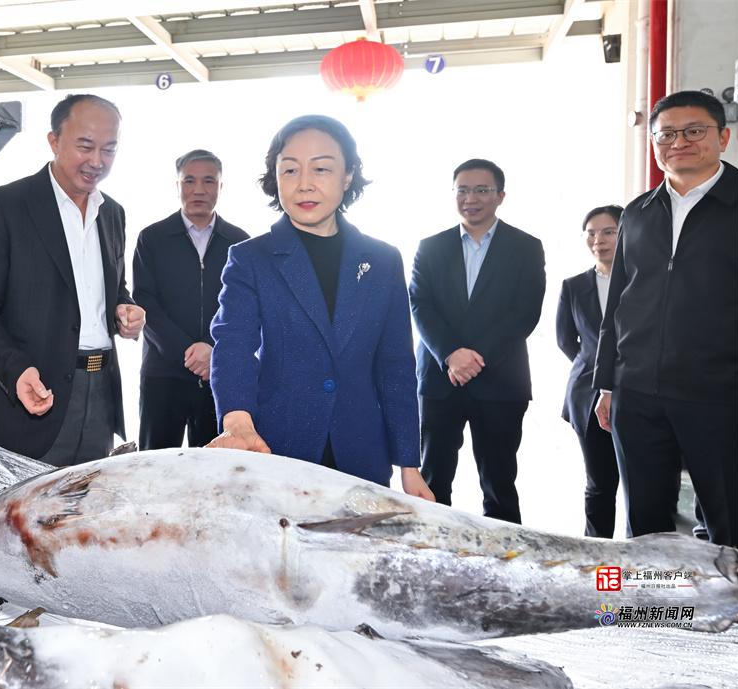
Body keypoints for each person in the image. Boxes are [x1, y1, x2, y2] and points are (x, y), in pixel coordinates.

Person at [208, 114, 433, 500]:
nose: (305, 184)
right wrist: (237, 420)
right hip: (277, 447)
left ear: (347, 177)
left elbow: (395, 365)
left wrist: (409, 466)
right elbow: (233, 344)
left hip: (362, 451)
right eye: (290, 169)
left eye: (322, 169)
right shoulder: (250, 258)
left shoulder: (382, 260)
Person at [594, 90, 738, 547]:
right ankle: (656, 613)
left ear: (724, 137)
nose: (680, 142)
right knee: (646, 528)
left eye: (695, 131)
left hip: (720, 395)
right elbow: (618, 302)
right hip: (638, 396)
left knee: (729, 522)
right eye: (667, 134)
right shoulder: (636, 213)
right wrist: (607, 383)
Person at [0, 93, 145, 465]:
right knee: (19, 518)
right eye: (85, 146)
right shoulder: (4, 206)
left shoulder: (113, 213)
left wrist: (125, 309)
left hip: (99, 397)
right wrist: (15, 369)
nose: (97, 161)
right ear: (54, 140)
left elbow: (112, 290)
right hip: (28, 393)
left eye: (109, 149)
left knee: (84, 514)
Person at [409, 159, 545, 522]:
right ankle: (431, 555)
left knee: (499, 482)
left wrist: (474, 358)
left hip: (500, 382)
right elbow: (420, 305)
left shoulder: (526, 247)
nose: (471, 198)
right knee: (433, 479)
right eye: (463, 190)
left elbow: (525, 313)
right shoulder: (430, 247)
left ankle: (504, 564)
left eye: (482, 190)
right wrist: (451, 355)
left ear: (500, 196)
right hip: (440, 380)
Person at [132, 150, 249, 449]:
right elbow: (146, 302)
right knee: (155, 468)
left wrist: (213, 354)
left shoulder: (241, 242)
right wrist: (188, 351)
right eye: (189, 181)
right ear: (178, 186)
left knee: (216, 472)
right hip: (163, 373)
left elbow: (244, 310)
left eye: (209, 181)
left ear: (221, 187)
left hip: (218, 376)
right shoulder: (152, 238)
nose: (199, 190)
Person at [556, 205, 623, 538]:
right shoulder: (572, 286)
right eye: (591, 233)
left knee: (645, 485)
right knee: (599, 485)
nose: (599, 240)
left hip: (640, 392)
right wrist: (596, 369)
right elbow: (566, 340)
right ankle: (599, 566)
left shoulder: (646, 280)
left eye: (609, 231)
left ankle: (644, 567)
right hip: (588, 395)